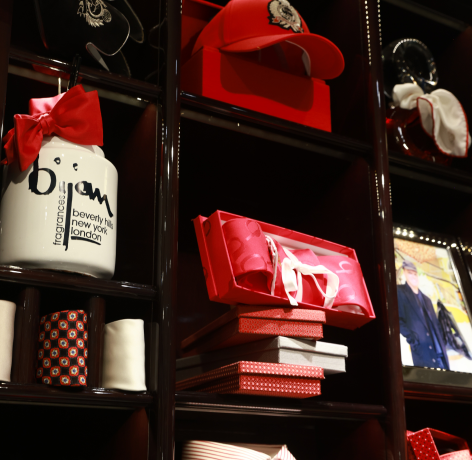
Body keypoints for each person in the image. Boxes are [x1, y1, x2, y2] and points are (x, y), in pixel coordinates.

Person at [397, 260, 450, 370]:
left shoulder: (427, 299)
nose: (413, 276)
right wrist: (412, 338)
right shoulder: (400, 291)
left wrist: (442, 341)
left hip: (439, 352)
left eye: (415, 273)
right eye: (410, 273)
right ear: (404, 273)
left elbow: (436, 324)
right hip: (422, 350)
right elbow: (398, 319)